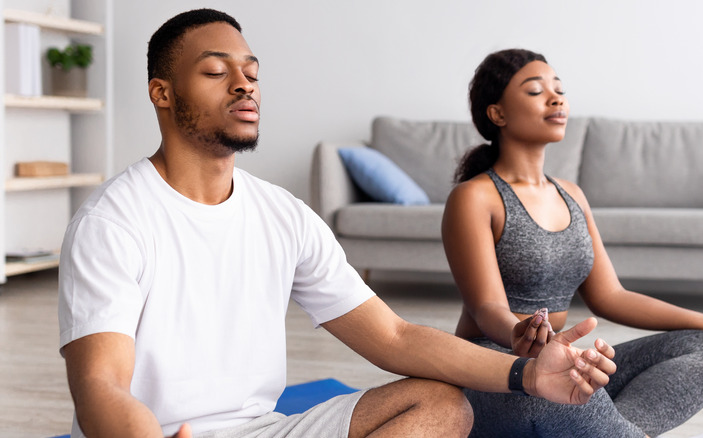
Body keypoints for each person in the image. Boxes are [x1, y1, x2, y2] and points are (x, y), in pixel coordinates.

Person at [57, 11, 619, 438]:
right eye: (215, 71)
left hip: (262, 428)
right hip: (156, 433)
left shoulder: (283, 215)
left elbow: (394, 337)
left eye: (251, 73)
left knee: (441, 404)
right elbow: (100, 387)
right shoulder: (112, 223)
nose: (244, 84)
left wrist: (526, 373)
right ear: (162, 92)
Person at [441, 48, 703, 438]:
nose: (556, 99)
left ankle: (609, 430)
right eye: (535, 91)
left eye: (559, 90)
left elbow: (611, 296)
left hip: (555, 368)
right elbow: (486, 308)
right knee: (565, 384)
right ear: (497, 113)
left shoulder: (572, 194)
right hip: (494, 374)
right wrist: (518, 334)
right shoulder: (475, 197)